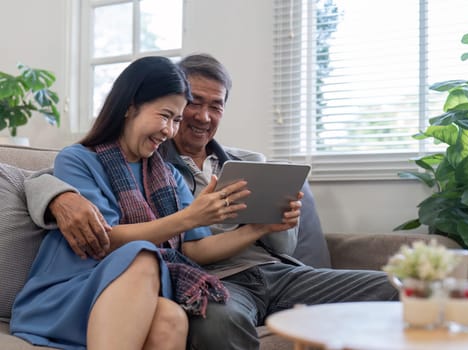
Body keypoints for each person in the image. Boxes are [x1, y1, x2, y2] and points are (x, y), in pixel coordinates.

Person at [10, 56, 302, 350]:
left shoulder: (169, 175)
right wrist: (189, 217)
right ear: (129, 107)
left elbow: (193, 249)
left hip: (142, 289)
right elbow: (105, 240)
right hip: (74, 288)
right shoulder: (78, 159)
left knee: (172, 317)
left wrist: (258, 229)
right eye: (165, 116)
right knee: (142, 256)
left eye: (176, 120)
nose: (170, 131)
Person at [157, 53, 398, 350]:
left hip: (279, 273)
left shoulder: (250, 162)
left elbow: (284, 248)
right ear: (177, 104)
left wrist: (281, 222)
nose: (204, 116)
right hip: (216, 282)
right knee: (218, 322)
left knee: (396, 289)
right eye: (195, 102)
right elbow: (179, 248)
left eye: (216, 105)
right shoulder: (155, 170)